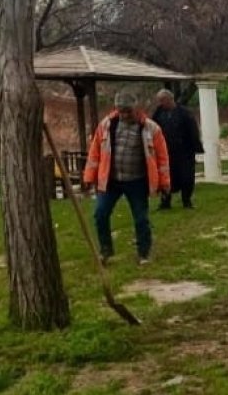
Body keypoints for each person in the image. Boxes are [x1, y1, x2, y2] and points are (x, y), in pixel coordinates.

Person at [84, 91, 170, 265]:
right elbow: (95, 153)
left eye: (128, 111)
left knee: (141, 218)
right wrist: (89, 176)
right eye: (120, 111)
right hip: (111, 180)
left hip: (137, 181)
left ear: (136, 109)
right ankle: (106, 250)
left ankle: (144, 253)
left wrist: (165, 182)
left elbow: (162, 158)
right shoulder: (106, 125)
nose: (124, 115)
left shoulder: (151, 128)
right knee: (100, 214)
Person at [151, 89, 202, 210]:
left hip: (184, 152)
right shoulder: (158, 113)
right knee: (165, 177)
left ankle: (186, 201)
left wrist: (195, 148)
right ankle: (165, 202)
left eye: (162, 100)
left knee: (186, 177)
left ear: (169, 99)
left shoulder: (184, 113)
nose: (160, 103)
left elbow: (193, 131)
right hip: (166, 152)